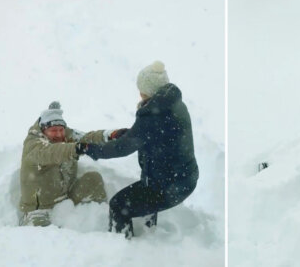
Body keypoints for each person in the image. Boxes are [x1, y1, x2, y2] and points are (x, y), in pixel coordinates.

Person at [80, 61, 199, 238]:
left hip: (168, 186)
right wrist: (129, 134)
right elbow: (155, 136)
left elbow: (122, 148)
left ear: (150, 90)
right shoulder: (174, 104)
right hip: (183, 179)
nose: (139, 93)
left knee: (119, 206)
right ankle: (149, 235)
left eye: (141, 89)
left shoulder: (152, 115)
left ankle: (122, 250)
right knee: (146, 193)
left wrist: (92, 149)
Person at [19, 101, 127, 226]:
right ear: (44, 130)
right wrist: (77, 148)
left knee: (93, 179)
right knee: (43, 238)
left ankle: (99, 220)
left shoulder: (66, 135)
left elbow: (88, 137)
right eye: (54, 130)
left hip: (65, 200)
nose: (59, 134)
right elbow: (53, 152)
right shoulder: (33, 145)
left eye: (61, 130)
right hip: (39, 210)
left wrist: (111, 135)